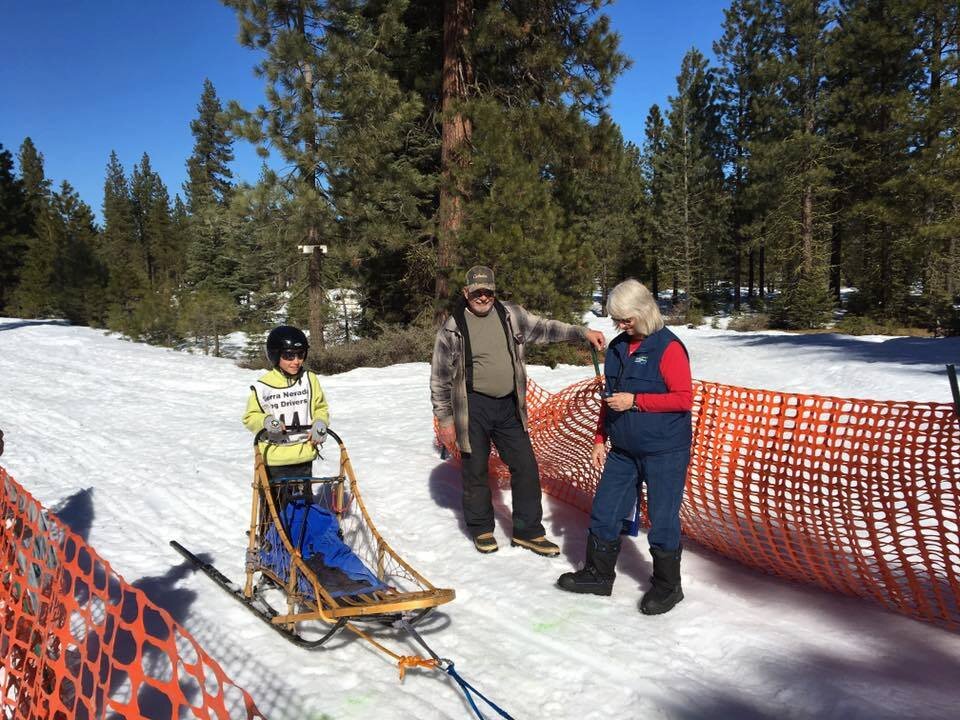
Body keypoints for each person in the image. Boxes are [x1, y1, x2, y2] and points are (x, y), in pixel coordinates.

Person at [431, 265, 606, 556]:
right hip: (472, 406)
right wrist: (445, 418)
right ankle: (482, 528)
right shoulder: (452, 328)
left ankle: (528, 531)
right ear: (466, 292)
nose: (483, 297)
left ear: (494, 292)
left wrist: (582, 332)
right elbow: (440, 378)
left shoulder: (512, 315)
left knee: (525, 467)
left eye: (488, 292)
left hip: (509, 406)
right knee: (475, 470)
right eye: (477, 292)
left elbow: (546, 327)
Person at [557, 279, 693, 615]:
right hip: (623, 450)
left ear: (644, 312)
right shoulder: (618, 349)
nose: (620, 326)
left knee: (662, 518)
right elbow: (609, 399)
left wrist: (637, 401)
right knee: (605, 509)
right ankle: (598, 574)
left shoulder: (669, 348)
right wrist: (600, 438)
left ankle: (667, 586)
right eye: (617, 320)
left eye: (626, 320)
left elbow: (683, 399)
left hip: (664, 450)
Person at [242, 325, 330, 480]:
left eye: (300, 355)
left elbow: (320, 407)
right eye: (289, 356)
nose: (296, 361)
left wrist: (320, 423)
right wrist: (266, 421)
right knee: (274, 504)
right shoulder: (263, 386)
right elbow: (250, 417)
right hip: (274, 457)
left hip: (303, 454)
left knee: (302, 503)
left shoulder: (309, 379)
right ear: (276, 355)